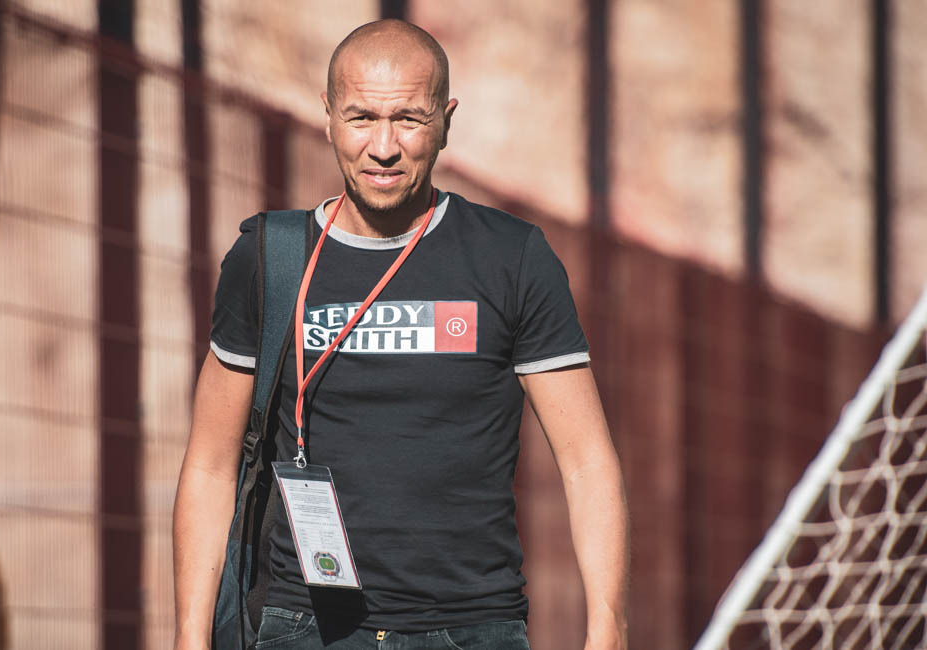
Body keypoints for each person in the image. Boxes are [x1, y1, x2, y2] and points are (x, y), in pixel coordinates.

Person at [174, 19, 628, 650]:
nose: (383, 147)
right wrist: (190, 635)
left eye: (409, 119)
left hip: (472, 627)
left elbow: (586, 461)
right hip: (304, 626)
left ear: (445, 121)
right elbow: (209, 463)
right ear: (329, 116)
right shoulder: (268, 259)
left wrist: (608, 624)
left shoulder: (511, 257)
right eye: (361, 117)